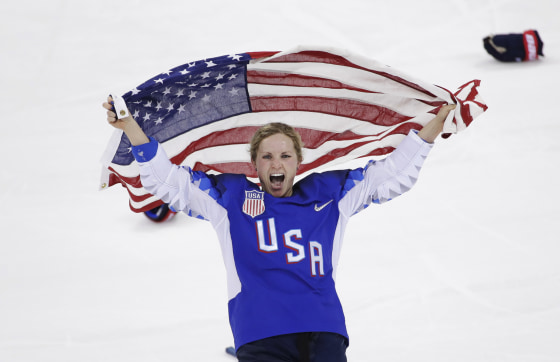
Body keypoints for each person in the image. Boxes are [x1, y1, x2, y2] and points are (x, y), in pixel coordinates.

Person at [103, 96, 455, 361]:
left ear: (298, 162)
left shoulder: (330, 195)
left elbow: (392, 174)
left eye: (285, 156)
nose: (276, 163)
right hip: (261, 334)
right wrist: (131, 128)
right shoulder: (230, 198)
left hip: (324, 330)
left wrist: (436, 124)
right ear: (254, 164)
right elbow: (169, 183)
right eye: (267, 156)